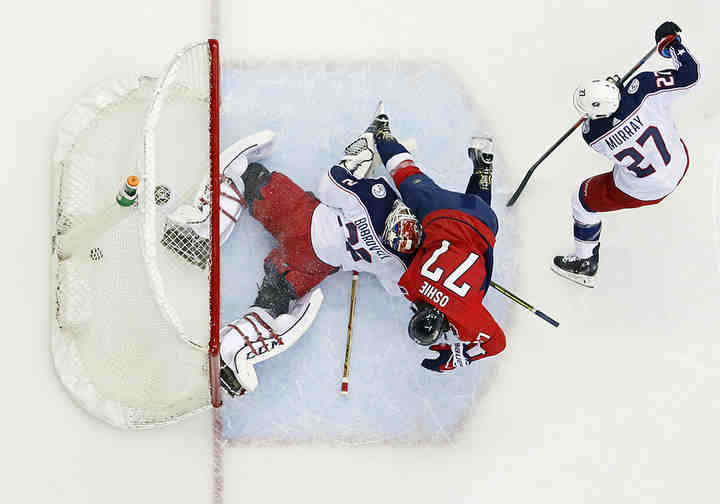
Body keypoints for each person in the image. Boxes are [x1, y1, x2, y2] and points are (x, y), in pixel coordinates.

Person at [211, 124, 422, 397]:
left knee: (251, 180)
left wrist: (353, 163)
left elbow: (328, 186)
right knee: (274, 302)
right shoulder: (397, 264)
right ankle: (236, 346)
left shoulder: (377, 196)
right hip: (308, 265)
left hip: (300, 219)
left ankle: (210, 219)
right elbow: (400, 289)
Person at [552, 21, 700, 287]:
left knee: (582, 199)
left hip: (644, 190)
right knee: (660, 117)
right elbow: (690, 75)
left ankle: (585, 261)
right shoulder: (642, 88)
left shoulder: (591, 135)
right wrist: (670, 44)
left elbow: (603, 122)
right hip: (679, 162)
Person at [366, 104, 507, 373]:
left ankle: (483, 171)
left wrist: (459, 355)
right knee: (406, 175)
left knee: (478, 215)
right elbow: (410, 246)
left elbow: (496, 343)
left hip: (485, 222)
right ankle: (381, 132)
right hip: (442, 212)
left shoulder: (468, 317)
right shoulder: (411, 284)